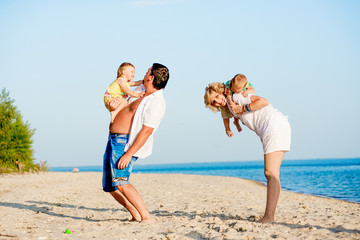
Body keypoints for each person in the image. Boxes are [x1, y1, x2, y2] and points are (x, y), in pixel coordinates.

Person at [204, 79, 291, 223]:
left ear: (222, 92)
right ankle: (270, 215)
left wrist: (243, 109)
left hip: (274, 127)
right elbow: (228, 116)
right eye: (214, 102)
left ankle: (269, 216)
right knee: (271, 173)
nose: (218, 102)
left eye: (218, 97)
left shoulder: (237, 97)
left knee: (271, 173)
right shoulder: (230, 107)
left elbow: (263, 101)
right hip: (270, 130)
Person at [102, 63, 169, 224]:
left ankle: (146, 216)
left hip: (124, 143)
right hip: (113, 138)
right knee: (109, 185)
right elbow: (121, 101)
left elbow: (146, 131)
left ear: (151, 77)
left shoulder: (156, 101)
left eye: (147, 72)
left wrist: (129, 153)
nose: (144, 73)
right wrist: (113, 105)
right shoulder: (140, 91)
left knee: (121, 181)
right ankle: (135, 214)